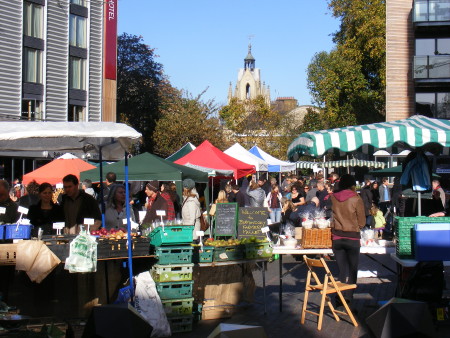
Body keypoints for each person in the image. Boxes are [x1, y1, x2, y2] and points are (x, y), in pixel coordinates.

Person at [330, 174, 365, 306]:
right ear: (352, 185)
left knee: (341, 270)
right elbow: (361, 222)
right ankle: (349, 298)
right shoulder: (356, 198)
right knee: (352, 270)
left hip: (337, 237)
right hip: (352, 237)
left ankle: (339, 297)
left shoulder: (334, 197)